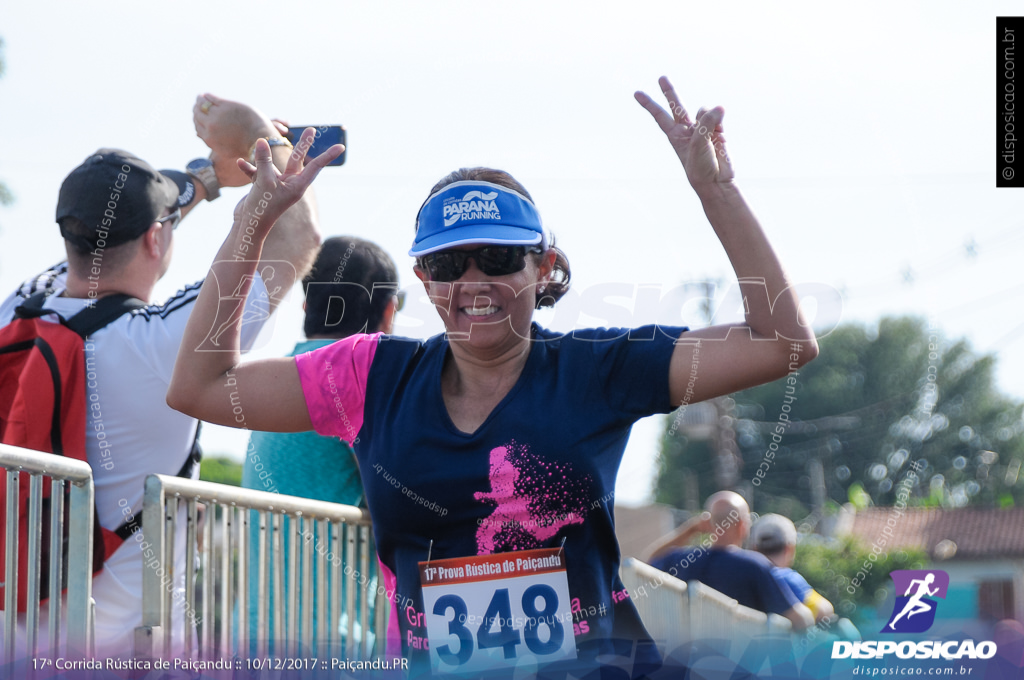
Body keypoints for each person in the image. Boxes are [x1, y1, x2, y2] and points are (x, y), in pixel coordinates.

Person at [167, 76, 820, 677]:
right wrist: (251, 222)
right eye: (450, 264)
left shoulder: (596, 371)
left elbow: (784, 342)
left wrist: (717, 191)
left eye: (500, 258)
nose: (474, 282)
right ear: (423, 278)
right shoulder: (370, 375)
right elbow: (199, 388)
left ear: (543, 267)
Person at [0, 94, 323, 660]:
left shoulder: (20, 313)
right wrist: (259, 139)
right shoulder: (160, 343)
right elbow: (296, 242)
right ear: (156, 239)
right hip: (125, 656)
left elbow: (109, 237)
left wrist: (202, 180)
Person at [241, 236, 400, 649]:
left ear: (305, 305)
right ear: (388, 311)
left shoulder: (278, 377)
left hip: (255, 633)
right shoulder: (356, 379)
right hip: (331, 640)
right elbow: (407, 495)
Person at [645, 491, 814, 632]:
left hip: (686, 661)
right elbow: (801, 620)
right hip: (743, 666)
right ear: (742, 525)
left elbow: (651, 560)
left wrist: (691, 530)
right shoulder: (754, 565)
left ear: (708, 524)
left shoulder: (681, 559)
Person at [750, 513, 835, 625]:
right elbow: (824, 610)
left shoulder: (745, 575)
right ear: (789, 548)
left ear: (755, 548)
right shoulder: (787, 577)